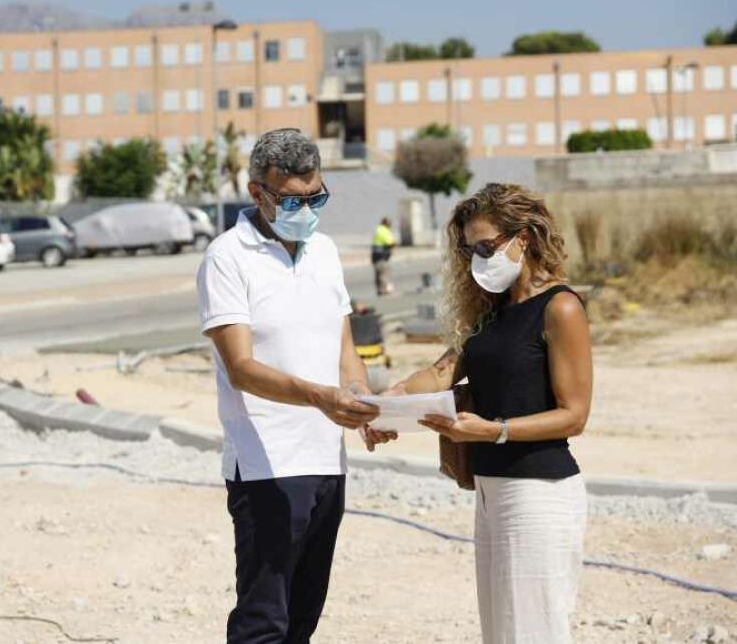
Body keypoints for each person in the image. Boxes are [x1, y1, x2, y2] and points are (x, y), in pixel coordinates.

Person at [384, 182, 593, 644]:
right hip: (490, 489)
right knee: (500, 633)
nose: (477, 258)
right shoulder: (490, 313)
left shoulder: (560, 308)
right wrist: (389, 401)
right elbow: (439, 374)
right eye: (469, 249)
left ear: (524, 236)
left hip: (539, 492)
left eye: (485, 246)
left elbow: (574, 415)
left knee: (533, 633)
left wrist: (493, 431)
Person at [197, 128, 380, 643]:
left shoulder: (324, 251)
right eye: (293, 200)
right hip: (267, 466)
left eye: (316, 196)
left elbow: (343, 349)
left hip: (326, 462)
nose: (307, 208)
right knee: (264, 620)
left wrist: (362, 402)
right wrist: (324, 398)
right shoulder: (227, 257)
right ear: (257, 193)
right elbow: (242, 367)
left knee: (303, 617)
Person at [371, 216, 396, 295]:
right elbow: (390, 242)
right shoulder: (384, 231)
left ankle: (379, 289)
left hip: (375, 256)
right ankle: (384, 290)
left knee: (378, 274)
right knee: (383, 274)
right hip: (382, 256)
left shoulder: (378, 229)